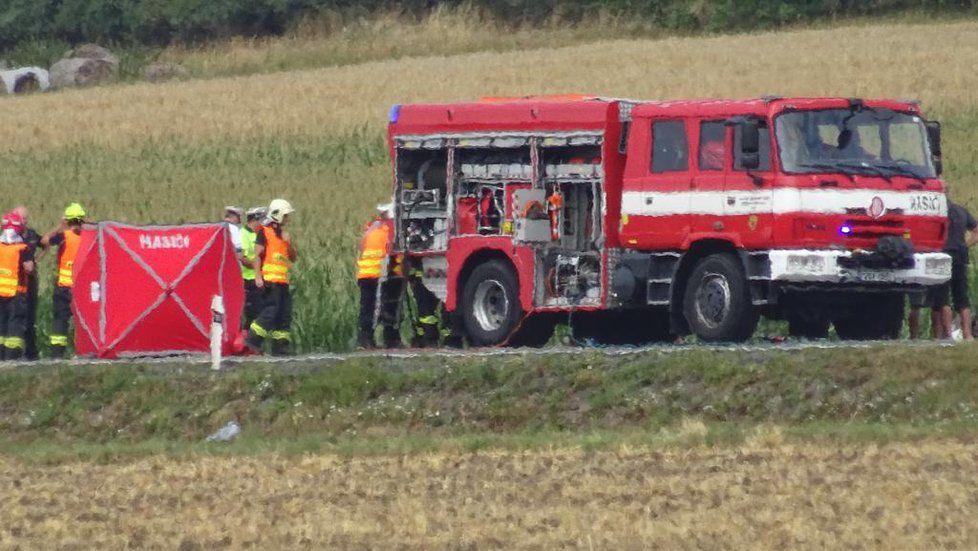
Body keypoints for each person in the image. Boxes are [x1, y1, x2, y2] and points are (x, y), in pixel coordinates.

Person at [245, 199, 297, 356]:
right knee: (270, 312)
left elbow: (293, 258)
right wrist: (258, 277)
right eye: (286, 215)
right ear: (278, 215)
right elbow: (257, 256)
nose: (288, 219)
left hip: (282, 281)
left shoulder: (283, 235)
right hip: (269, 281)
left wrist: (289, 244)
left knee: (284, 314)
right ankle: (252, 341)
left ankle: (280, 347)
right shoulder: (264, 232)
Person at [40, 203, 86, 359]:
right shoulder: (89, 237)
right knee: (83, 322)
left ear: (67, 220)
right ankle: (82, 352)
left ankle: (57, 355)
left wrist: (59, 226)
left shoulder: (63, 236)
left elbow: (45, 241)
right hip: (82, 288)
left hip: (63, 286)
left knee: (60, 320)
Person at [356, 203, 403, 349]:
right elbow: (395, 254)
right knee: (387, 308)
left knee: (367, 308)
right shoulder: (390, 230)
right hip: (381, 275)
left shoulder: (371, 228)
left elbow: (361, 249)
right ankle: (390, 340)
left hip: (365, 274)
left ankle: (365, 340)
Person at [930, 200, 978, 340]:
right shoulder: (961, 210)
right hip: (960, 257)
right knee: (962, 298)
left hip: (942, 256)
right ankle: (968, 335)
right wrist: (965, 245)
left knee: (943, 298)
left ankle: (948, 336)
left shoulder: (936, 211)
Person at [0, 212, 35, 361]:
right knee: (15, 324)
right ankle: (12, 358)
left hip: (1, 291)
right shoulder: (22, 248)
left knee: (1, 324)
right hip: (17, 293)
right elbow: (29, 268)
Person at [12, 206, 41, 360]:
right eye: (22, 218)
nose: (25, 221)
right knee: (14, 319)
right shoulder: (10, 238)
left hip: (30, 283)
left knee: (30, 318)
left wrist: (37, 260)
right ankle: (12, 355)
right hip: (15, 285)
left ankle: (30, 353)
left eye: (26, 218)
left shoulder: (31, 234)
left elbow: (45, 242)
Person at [240, 207, 265, 329]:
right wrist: (258, 267)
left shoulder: (259, 234)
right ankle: (246, 339)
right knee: (253, 313)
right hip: (249, 279)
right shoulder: (243, 234)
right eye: (261, 220)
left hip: (261, 278)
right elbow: (243, 258)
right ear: (254, 220)